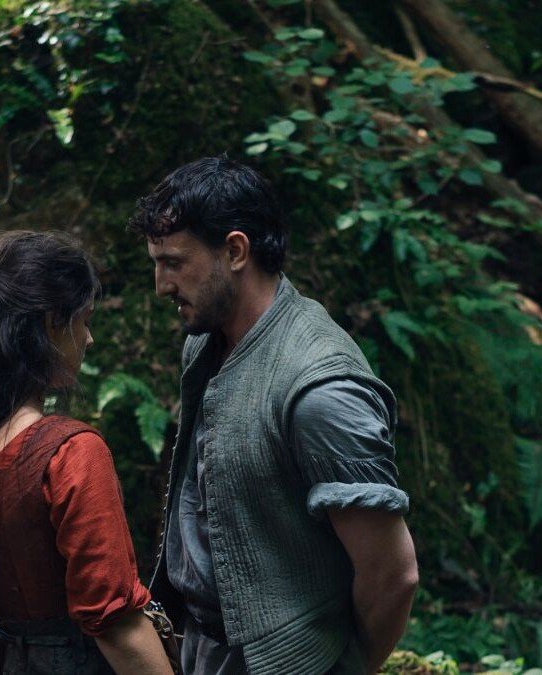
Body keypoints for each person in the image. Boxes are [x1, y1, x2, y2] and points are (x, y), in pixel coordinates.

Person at [129, 157, 419, 675]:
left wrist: (342, 669)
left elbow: (393, 576)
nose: (161, 285)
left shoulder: (319, 391)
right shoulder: (207, 340)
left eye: (174, 262)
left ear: (235, 251)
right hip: (203, 644)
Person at [0, 231, 173, 675]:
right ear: (52, 323)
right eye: (84, 321)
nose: (89, 339)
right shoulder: (71, 454)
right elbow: (114, 622)